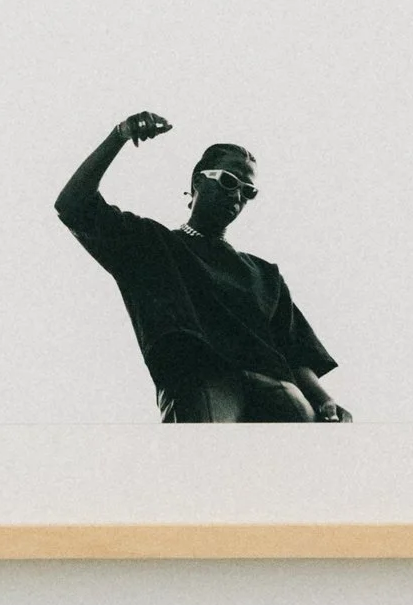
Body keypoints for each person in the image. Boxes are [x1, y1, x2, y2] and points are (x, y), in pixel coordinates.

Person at [53, 112, 349, 423]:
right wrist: (119, 135)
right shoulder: (152, 246)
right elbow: (73, 205)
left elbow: (296, 354)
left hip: (280, 391)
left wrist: (325, 401)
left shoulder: (265, 275)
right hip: (202, 381)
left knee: (302, 453)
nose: (237, 195)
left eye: (248, 191)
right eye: (228, 181)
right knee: (204, 451)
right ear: (197, 181)